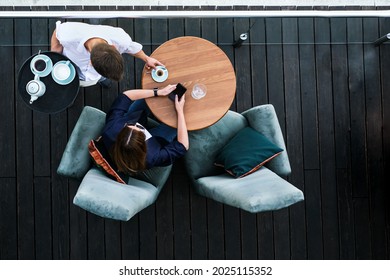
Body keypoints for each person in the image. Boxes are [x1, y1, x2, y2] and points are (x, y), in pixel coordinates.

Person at [101, 84, 189, 174]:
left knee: (147, 98)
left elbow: (125, 96)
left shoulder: (111, 129)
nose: (137, 125)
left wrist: (158, 92)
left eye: (130, 125)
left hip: (131, 122)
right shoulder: (152, 156)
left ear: (120, 133)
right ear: (144, 142)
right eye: (139, 128)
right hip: (156, 140)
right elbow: (183, 146)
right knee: (176, 125)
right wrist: (180, 111)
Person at [50, 21, 163, 87]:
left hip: (95, 74)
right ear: (91, 63)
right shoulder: (70, 34)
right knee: (70, 85)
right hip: (68, 65)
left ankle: (101, 79)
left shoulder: (120, 39)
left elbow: (131, 47)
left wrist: (147, 58)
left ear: (114, 47)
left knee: (99, 79)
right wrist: (55, 52)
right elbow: (57, 32)